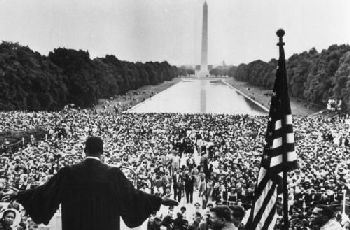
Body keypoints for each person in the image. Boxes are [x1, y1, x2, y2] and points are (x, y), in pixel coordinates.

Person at [6, 137, 178, 230]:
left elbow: (45, 192)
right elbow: (133, 196)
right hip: (105, 225)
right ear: (102, 152)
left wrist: (19, 195)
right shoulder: (113, 173)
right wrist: (160, 200)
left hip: (75, 225)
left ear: (84, 150)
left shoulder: (68, 172)